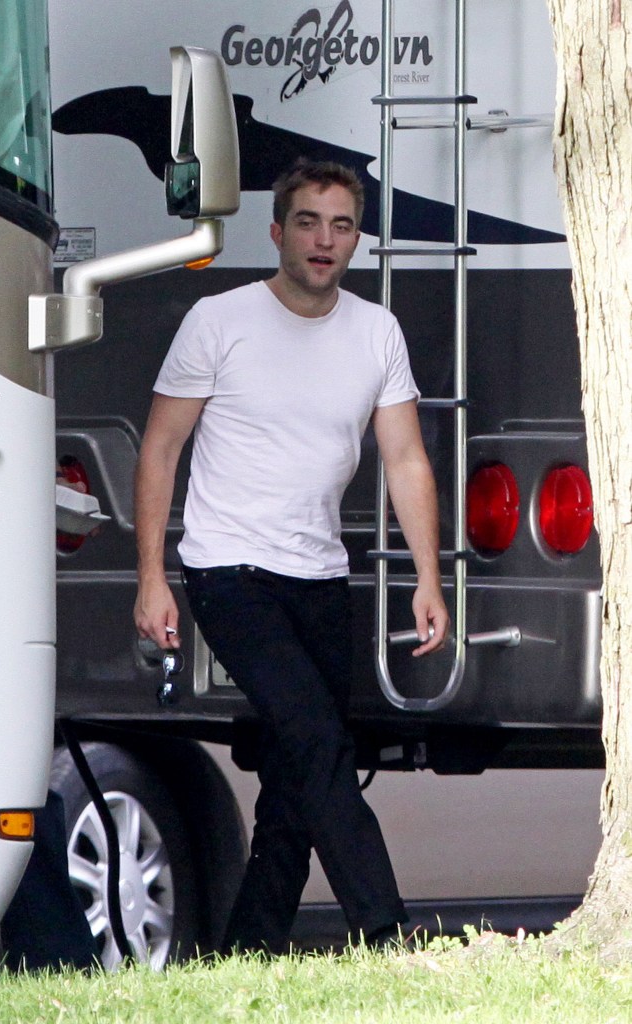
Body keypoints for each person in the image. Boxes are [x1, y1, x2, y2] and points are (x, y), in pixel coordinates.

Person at [133, 159, 449, 955]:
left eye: (341, 226)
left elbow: (405, 459)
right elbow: (161, 450)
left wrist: (428, 578)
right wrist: (151, 578)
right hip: (228, 571)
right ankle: (386, 931)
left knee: (292, 780)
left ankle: (248, 949)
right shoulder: (219, 320)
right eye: (308, 222)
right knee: (317, 743)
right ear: (277, 231)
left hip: (320, 576)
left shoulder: (375, 331)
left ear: (355, 241)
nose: (323, 239)